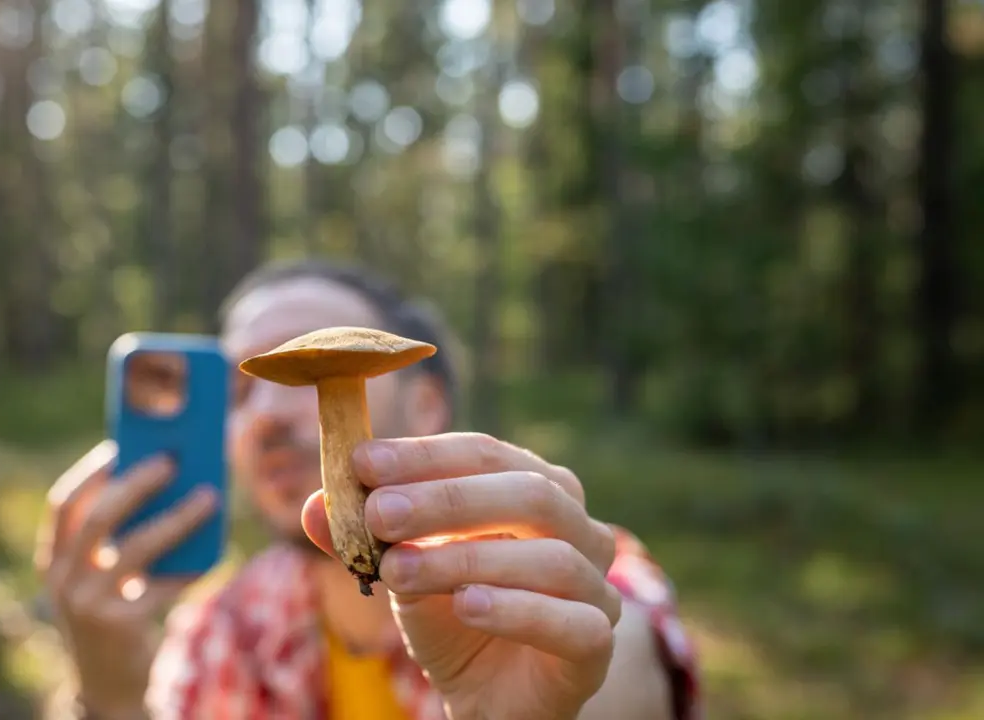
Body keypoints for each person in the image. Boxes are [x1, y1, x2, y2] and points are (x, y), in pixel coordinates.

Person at [36, 259, 700, 720]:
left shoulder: (554, 574)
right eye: (239, 390)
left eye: (292, 373)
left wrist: (563, 700)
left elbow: (621, 644)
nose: (265, 413)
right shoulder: (222, 632)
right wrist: (112, 699)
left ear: (431, 406)